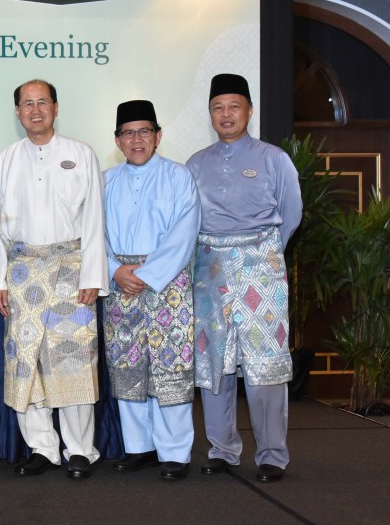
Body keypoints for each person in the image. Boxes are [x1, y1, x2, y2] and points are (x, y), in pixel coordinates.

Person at [0, 79, 108, 480]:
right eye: (27, 104)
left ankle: (80, 450)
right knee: (26, 360)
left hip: (71, 268)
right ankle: (43, 448)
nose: (35, 110)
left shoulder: (81, 154)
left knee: (72, 359)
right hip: (21, 272)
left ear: (55, 107)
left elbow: (95, 220)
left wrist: (93, 274)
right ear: (17, 112)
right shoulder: (4, 159)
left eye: (42, 102)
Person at [187, 74, 302, 483]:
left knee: (264, 365)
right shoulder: (196, 163)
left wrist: (262, 254)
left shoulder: (273, 158)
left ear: (249, 111)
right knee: (214, 364)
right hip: (209, 270)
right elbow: (188, 222)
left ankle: (272, 454)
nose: (226, 114)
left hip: (260, 270)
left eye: (234, 106)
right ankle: (222, 449)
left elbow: (290, 216)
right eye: (218, 107)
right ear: (211, 115)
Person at [102, 100, 201, 481]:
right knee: (127, 366)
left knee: (170, 366)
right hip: (121, 283)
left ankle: (175, 452)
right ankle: (138, 447)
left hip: (168, 285)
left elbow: (184, 232)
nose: (137, 139)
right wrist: (114, 270)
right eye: (128, 133)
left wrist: (148, 273)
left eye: (145, 131)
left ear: (158, 136)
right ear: (117, 140)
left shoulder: (179, 177)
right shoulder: (105, 180)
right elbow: (94, 234)